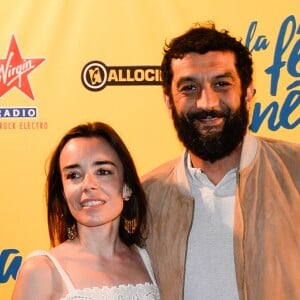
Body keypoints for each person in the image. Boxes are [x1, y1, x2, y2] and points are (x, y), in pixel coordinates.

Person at [141, 21, 300, 300]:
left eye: (222, 84)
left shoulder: (294, 171)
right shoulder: (145, 197)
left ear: (248, 91)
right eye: (189, 87)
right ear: (168, 100)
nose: (207, 103)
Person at [12, 122, 160, 300]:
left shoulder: (150, 260)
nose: (88, 185)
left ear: (126, 187)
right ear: (63, 193)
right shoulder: (41, 271)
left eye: (103, 171)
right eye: (73, 175)